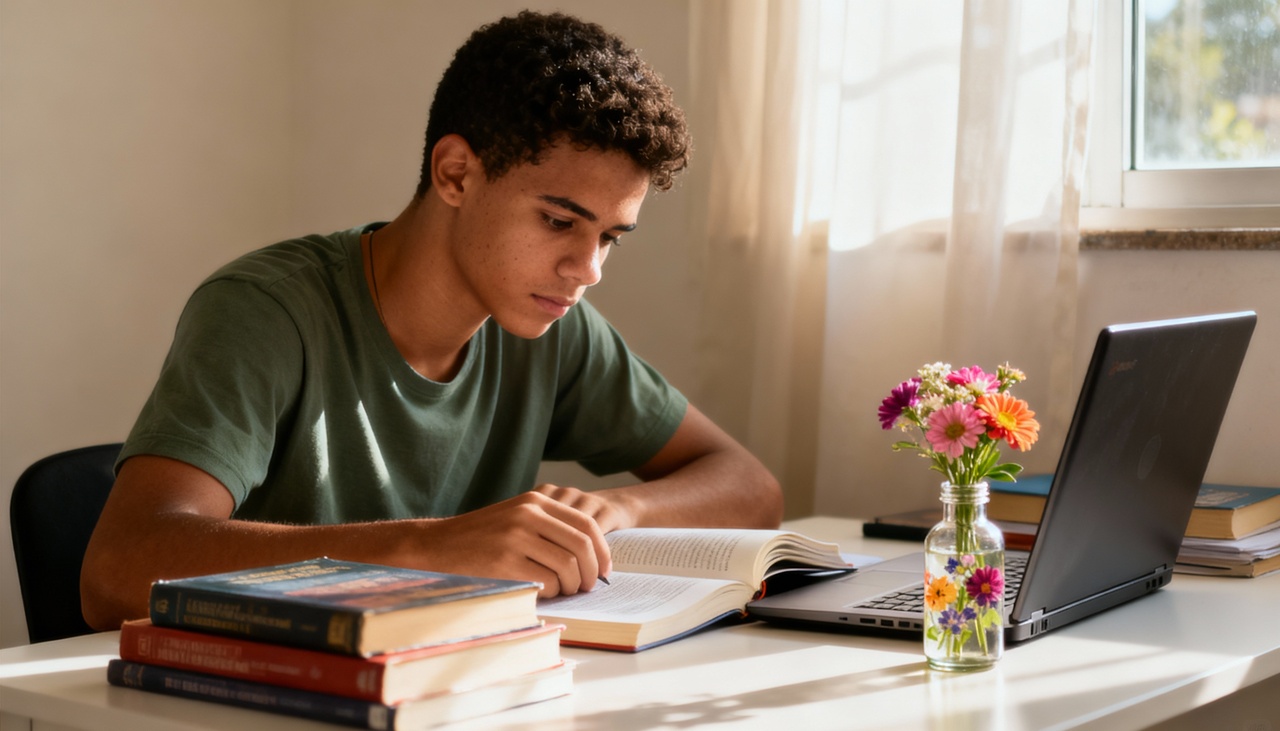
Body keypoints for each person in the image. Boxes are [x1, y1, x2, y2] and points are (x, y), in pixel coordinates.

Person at [80, 10, 782, 631]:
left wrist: (615, 512)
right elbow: (114, 572)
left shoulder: (553, 324)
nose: (588, 267)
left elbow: (752, 488)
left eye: (609, 237)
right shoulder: (266, 311)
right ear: (454, 173)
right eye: (559, 220)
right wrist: (432, 546)